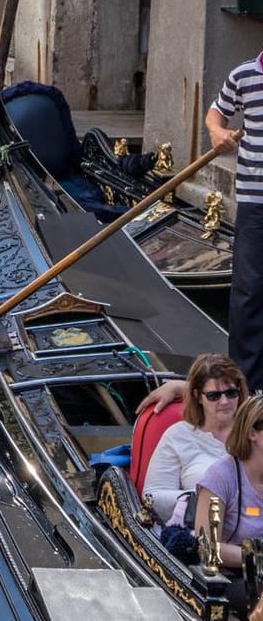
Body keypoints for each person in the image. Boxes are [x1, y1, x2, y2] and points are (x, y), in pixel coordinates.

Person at [208, 50, 263, 391]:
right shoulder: (243, 76)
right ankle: (247, 387)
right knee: (249, 292)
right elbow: (216, 113)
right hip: (255, 202)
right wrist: (217, 132)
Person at [145, 355, 251, 523]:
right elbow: (153, 497)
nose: (224, 402)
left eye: (231, 393)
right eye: (214, 396)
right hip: (201, 531)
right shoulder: (177, 436)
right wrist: (203, 498)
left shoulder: (255, 430)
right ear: (198, 396)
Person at [193, 394, 263, 612]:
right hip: (227, 578)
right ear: (252, 432)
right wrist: (258, 558)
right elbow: (206, 547)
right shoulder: (221, 477)